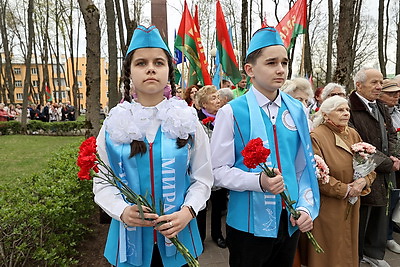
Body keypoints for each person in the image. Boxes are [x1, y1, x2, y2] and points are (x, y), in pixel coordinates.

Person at [93, 25, 213, 267]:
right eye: (141, 63)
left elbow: (203, 177)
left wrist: (188, 211)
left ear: (169, 71)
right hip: (128, 244)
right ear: (129, 72)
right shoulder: (113, 123)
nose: (150, 68)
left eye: (159, 62)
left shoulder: (188, 120)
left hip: (181, 239)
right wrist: (121, 210)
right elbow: (101, 182)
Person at [210, 27, 320, 267]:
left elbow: (303, 167)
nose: (280, 69)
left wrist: (305, 207)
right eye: (271, 63)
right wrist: (257, 181)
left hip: (289, 221)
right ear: (250, 69)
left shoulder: (298, 109)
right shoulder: (231, 112)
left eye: (284, 62)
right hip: (247, 226)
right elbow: (217, 171)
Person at [301, 96, 375, 267]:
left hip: (352, 204)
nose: (346, 113)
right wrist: (345, 190)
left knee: (348, 250)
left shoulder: (353, 133)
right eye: (340, 110)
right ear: (326, 115)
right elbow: (317, 175)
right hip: (329, 206)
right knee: (330, 253)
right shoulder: (316, 136)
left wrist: (364, 181)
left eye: (347, 110)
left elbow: (371, 166)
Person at [348, 67, 400, 267]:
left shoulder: (380, 106)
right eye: (374, 82)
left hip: (385, 171)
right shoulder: (349, 108)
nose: (379, 87)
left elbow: (392, 133)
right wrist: (388, 163)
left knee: (381, 213)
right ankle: (358, 256)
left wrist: (395, 156)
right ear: (358, 85)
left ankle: (373, 253)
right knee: (363, 216)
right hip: (365, 171)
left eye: (381, 82)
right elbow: (357, 144)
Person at [194, 85, 227, 248]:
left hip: (220, 169)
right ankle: (199, 237)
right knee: (201, 205)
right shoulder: (197, 122)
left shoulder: (224, 118)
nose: (218, 100)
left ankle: (217, 234)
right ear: (204, 104)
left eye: (218, 97)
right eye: (213, 98)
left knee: (218, 205)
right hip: (202, 170)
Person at [378, 79, 400, 254]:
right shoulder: (380, 112)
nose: (396, 96)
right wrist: (391, 159)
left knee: (395, 198)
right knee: (387, 201)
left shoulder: (397, 112)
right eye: (391, 93)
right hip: (386, 163)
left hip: (395, 160)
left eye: (397, 92)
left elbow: (394, 136)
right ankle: (386, 237)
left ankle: (390, 232)